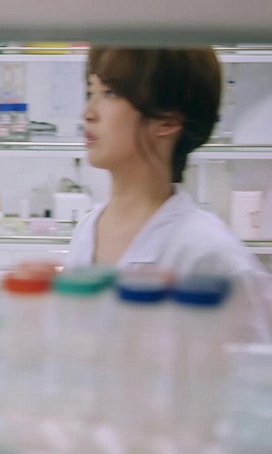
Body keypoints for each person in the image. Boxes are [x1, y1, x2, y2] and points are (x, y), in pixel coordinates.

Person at [67, 47, 271, 340]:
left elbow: (254, 366)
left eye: (110, 93)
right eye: (91, 92)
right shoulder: (87, 231)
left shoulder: (212, 256)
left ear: (168, 121)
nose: (88, 113)